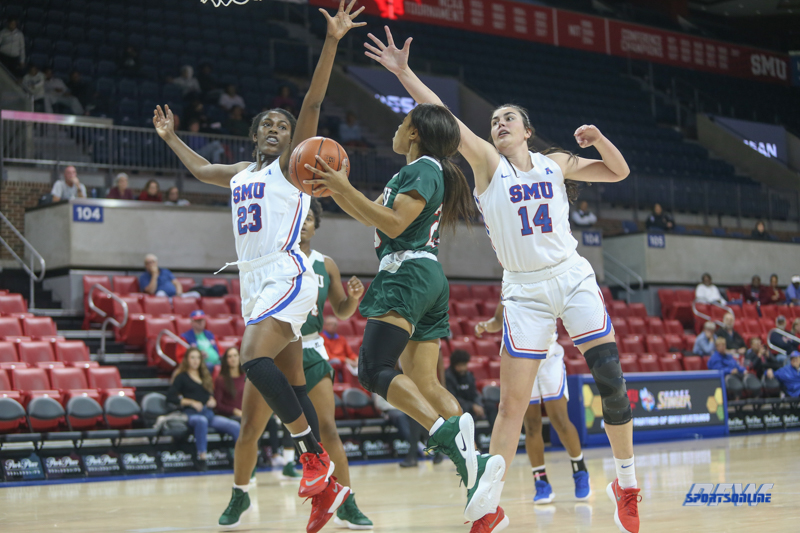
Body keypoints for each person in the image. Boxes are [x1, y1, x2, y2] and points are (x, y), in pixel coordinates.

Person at [363, 27, 638, 531]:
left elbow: (618, 172)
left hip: (572, 275)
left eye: (508, 117)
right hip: (525, 289)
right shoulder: (488, 166)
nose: (499, 124)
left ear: (527, 129)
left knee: (610, 377)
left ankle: (626, 481)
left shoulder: (556, 164)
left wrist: (599, 139)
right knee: (513, 405)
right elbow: (444, 116)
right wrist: (403, 73)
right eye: (494, 121)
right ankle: (489, 508)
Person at [154, 3, 366, 530]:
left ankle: (313, 460)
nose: (276, 127)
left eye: (283, 125)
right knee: (292, 383)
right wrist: (170, 138)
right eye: (267, 124)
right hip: (254, 282)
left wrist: (333, 39)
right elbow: (202, 168)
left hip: (287, 273)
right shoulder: (242, 171)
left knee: (252, 359)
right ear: (255, 135)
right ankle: (327, 494)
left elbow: (313, 98)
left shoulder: (293, 170)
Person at [304, 93, 500, 525]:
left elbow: (392, 224)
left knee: (374, 369)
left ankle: (448, 438)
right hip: (425, 276)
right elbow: (376, 217)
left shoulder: (422, 170)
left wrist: (343, 187)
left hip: (407, 274)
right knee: (425, 382)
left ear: (414, 131)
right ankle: (480, 482)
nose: (394, 129)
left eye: (401, 122)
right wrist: (341, 191)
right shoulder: (426, 171)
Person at [476, 310, 590, 504]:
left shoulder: (547, 280)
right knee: (531, 424)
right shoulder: (509, 285)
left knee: (560, 420)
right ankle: (541, 482)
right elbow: (498, 319)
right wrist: (487, 325)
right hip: (522, 359)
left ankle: (580, 470)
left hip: (549, 357)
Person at [167, 347, 241, 470]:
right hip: (191, 414)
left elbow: (209, 395)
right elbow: (170, 397)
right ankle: (202, 458)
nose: (195, 361)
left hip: (208, 413)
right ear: (187, 360)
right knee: (201, 421)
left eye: (198, 358)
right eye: (192, 358)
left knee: (234, 426)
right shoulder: (182, 377)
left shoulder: (205, 375)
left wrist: (212, 401)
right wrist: (190, 402)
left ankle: (240, 458)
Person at [445, 350, 494, 426]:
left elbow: (474, 393)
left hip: (472, 404)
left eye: (464, 365)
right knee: (465, 411)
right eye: (459, 365)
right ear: (454, 365)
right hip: (460, 406)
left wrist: (478, 404)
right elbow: (453, 398)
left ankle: (492, 433)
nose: (462, 368)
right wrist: (472, 406)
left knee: (490, 406)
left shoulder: (468, 375)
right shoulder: (448, 377)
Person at [214, 347, 246, 419]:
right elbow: (218, 404)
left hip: (245, 413)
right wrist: (234, 411)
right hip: (230, 415)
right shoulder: (221, 380)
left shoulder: (246, 377)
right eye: (230, 356)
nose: (233, 359)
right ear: (226, 360)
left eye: (235, 355)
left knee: (271, 422)